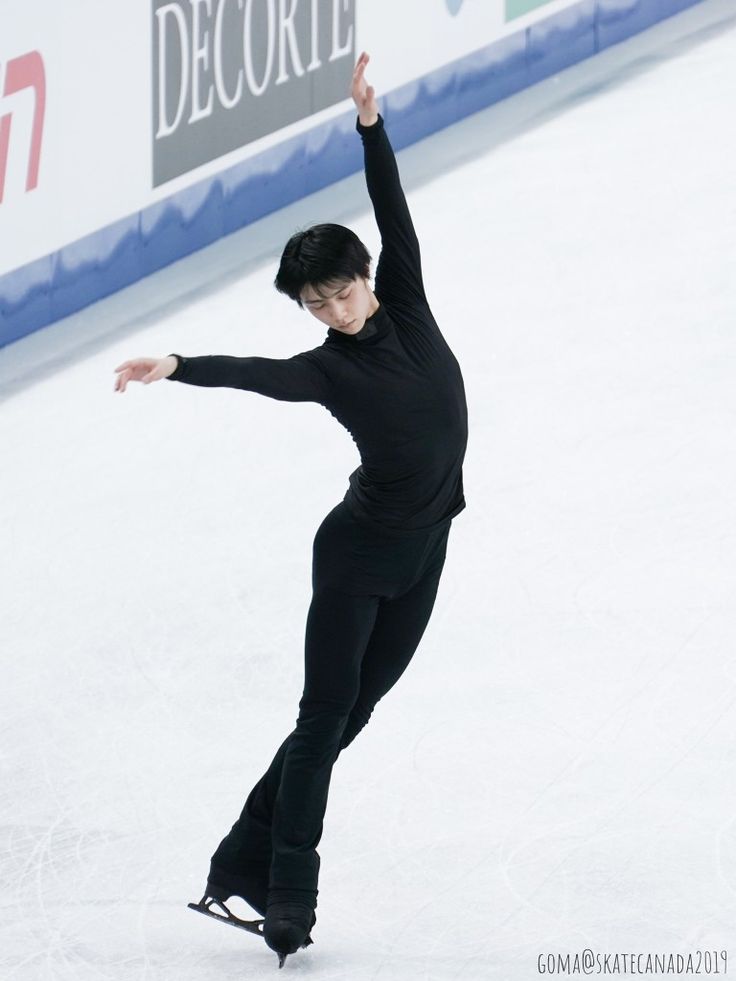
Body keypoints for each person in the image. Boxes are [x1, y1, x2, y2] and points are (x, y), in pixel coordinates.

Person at [113, 51, 468, 968]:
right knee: (322, 722)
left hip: (426, 549)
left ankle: (237, 855)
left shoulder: (411, 300)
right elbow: (258, 374)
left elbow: (393, 209)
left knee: (351, 717)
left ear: (367, 276)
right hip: (353, 559)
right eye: (316, 303)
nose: (335, 310)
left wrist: (368, 125)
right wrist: (180, 365)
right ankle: (287, 899)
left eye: (342, 290)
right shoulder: (325, 366)